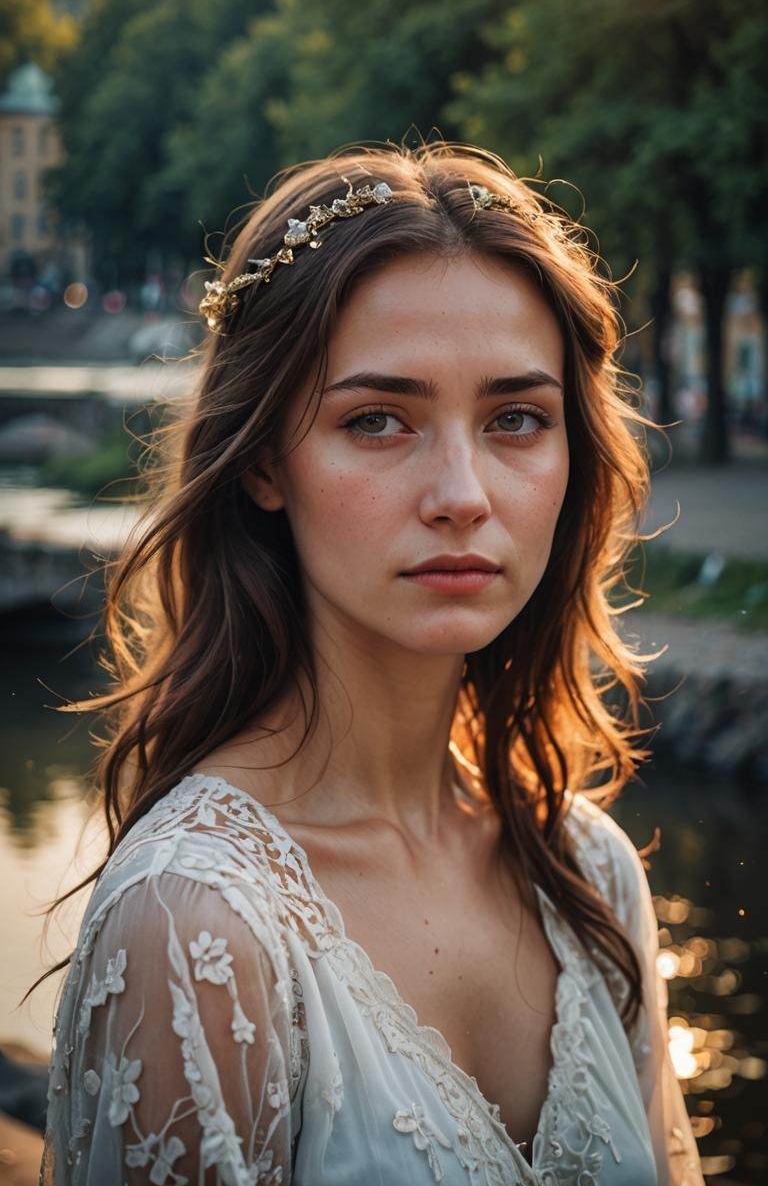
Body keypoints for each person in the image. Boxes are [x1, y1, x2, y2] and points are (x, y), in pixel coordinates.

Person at [35, 141, 704, 1184]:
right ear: (265, 461)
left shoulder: (590, 873)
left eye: (516, 419)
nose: (462, 494)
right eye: (378, 421)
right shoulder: (198, 924)